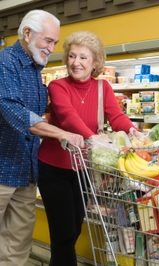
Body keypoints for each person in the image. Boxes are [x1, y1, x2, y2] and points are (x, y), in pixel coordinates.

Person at [38, 31, 137, 266]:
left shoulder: (103, 88)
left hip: (83, 169)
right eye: (72, 56)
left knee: (74, 229)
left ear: (95, 63)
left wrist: (133, 131)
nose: (76, 63)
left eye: (83, 57)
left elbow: (117, 116)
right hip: (54, 168)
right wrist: (93, 138)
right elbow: (68, 116)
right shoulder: (58, 86)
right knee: (63, 233)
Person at [0, 10, 85, 266]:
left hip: (26, 173)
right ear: (27, 33)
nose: (51, 48)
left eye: (54, 43)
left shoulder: (37, 70)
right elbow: (12, 111)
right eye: (48, 40)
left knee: (18, 243)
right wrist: (61, 133)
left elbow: (41, 115)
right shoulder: (5, 63)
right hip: (1, 170)